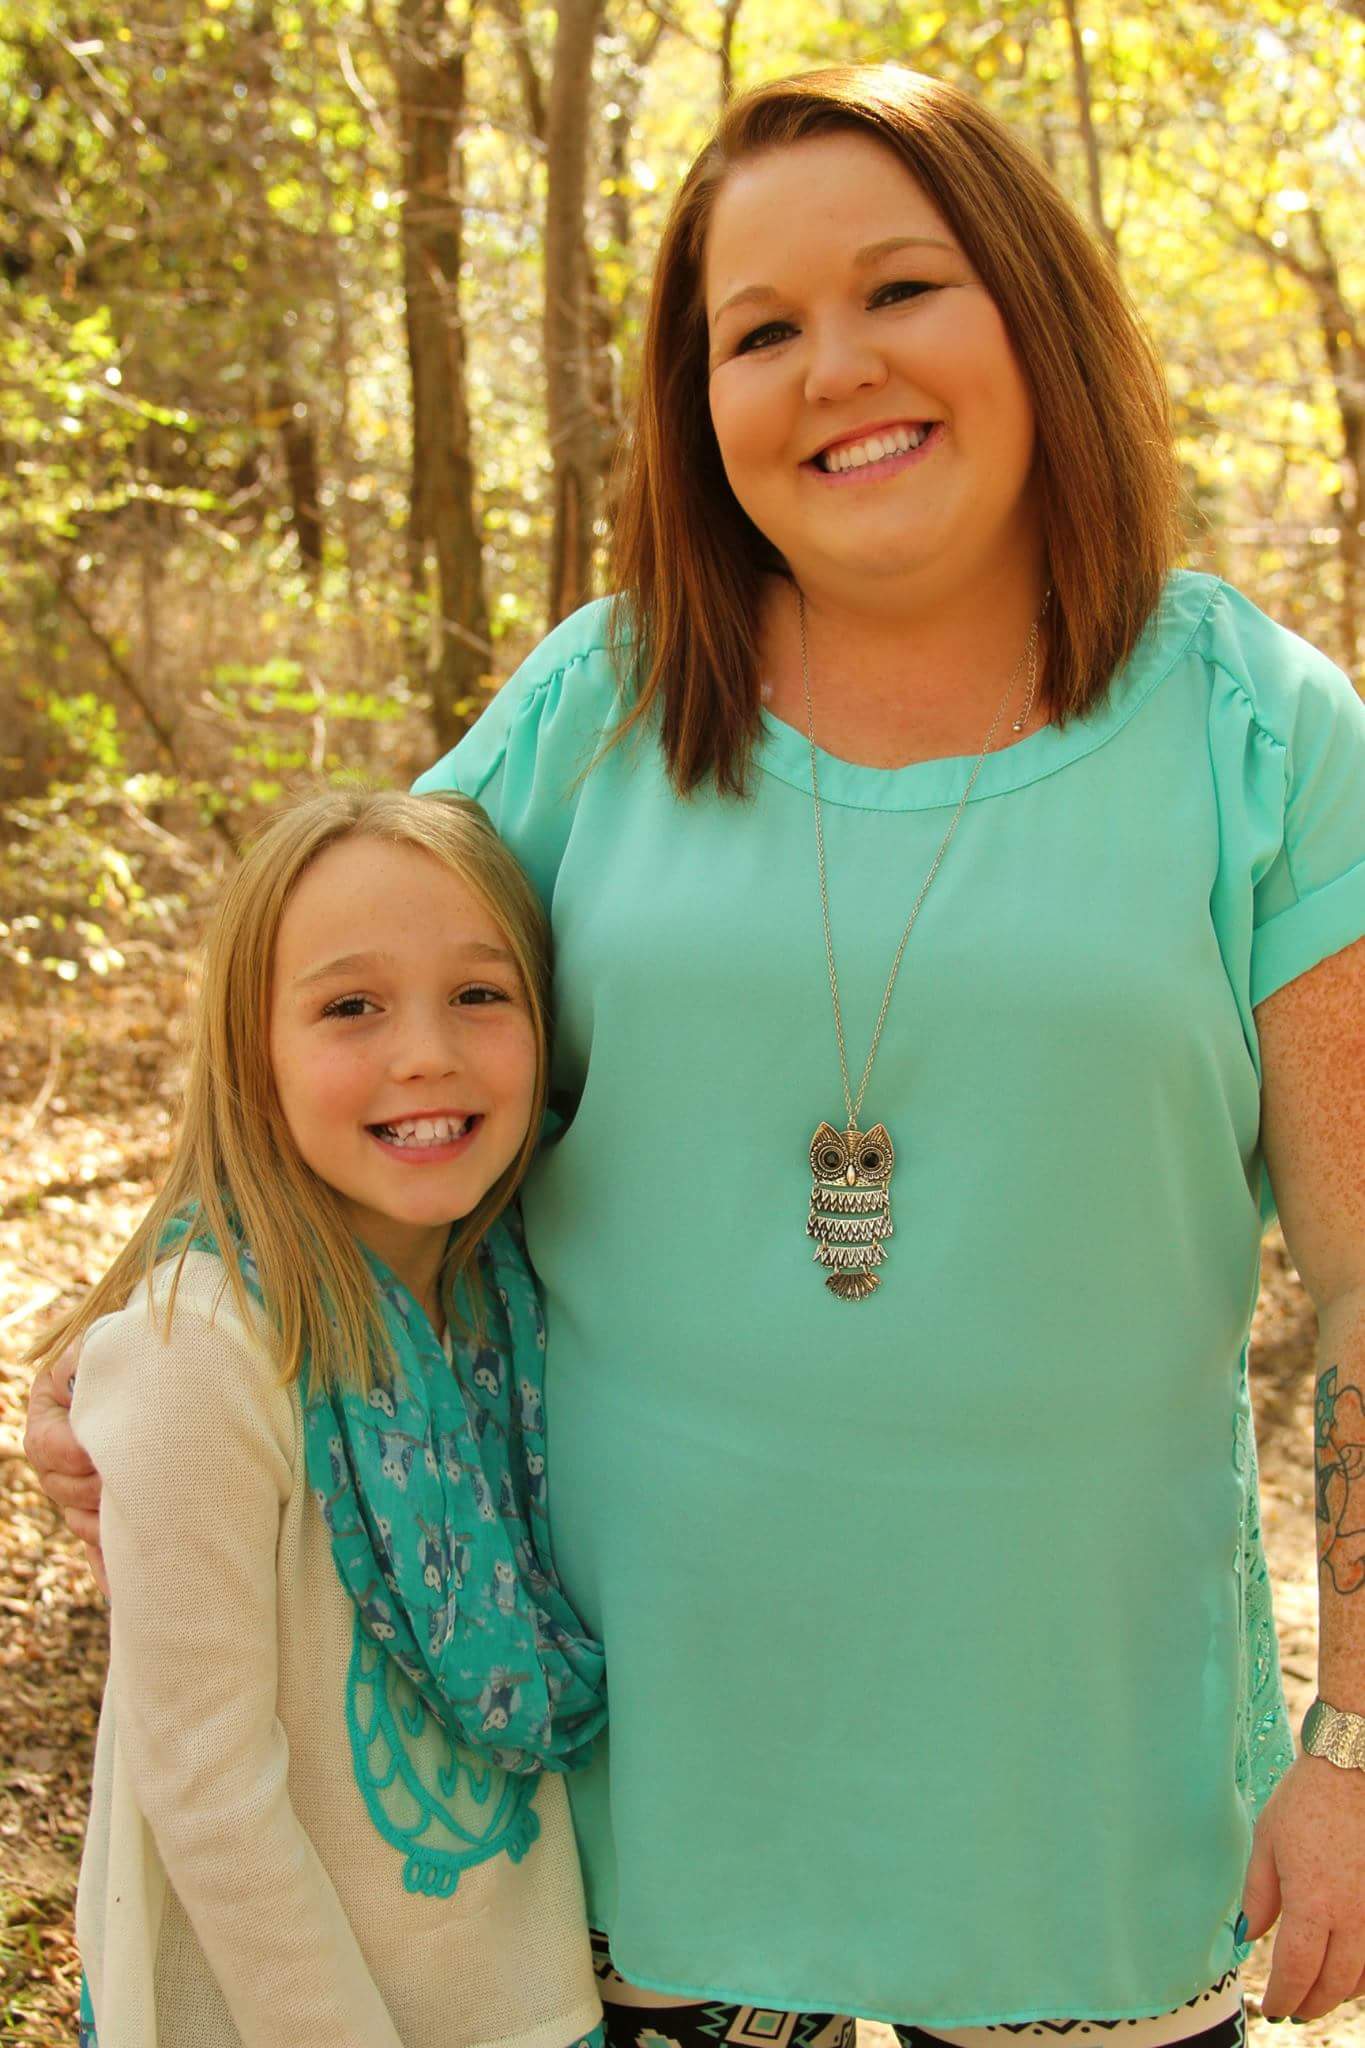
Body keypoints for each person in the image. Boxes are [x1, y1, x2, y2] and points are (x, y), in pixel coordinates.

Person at [29, 60, 1365, 2048]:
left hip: (1071, 1796)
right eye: (758, 331)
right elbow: (324, 1041)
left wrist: (1352, 1742)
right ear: (696, 400)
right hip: (634, 1799)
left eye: (898, 288)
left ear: (1034, 310)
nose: (836, 367)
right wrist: (144, 1328)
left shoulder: (1256, 728)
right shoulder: (602, 705)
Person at [26, 790, 607, 2048]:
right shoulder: (200, 1349)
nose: (426, 1053)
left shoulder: (514, 1306)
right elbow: (208, 1784)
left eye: (480, 992)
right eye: (351, 1006)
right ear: (255, 1055)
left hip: (522, 2002)